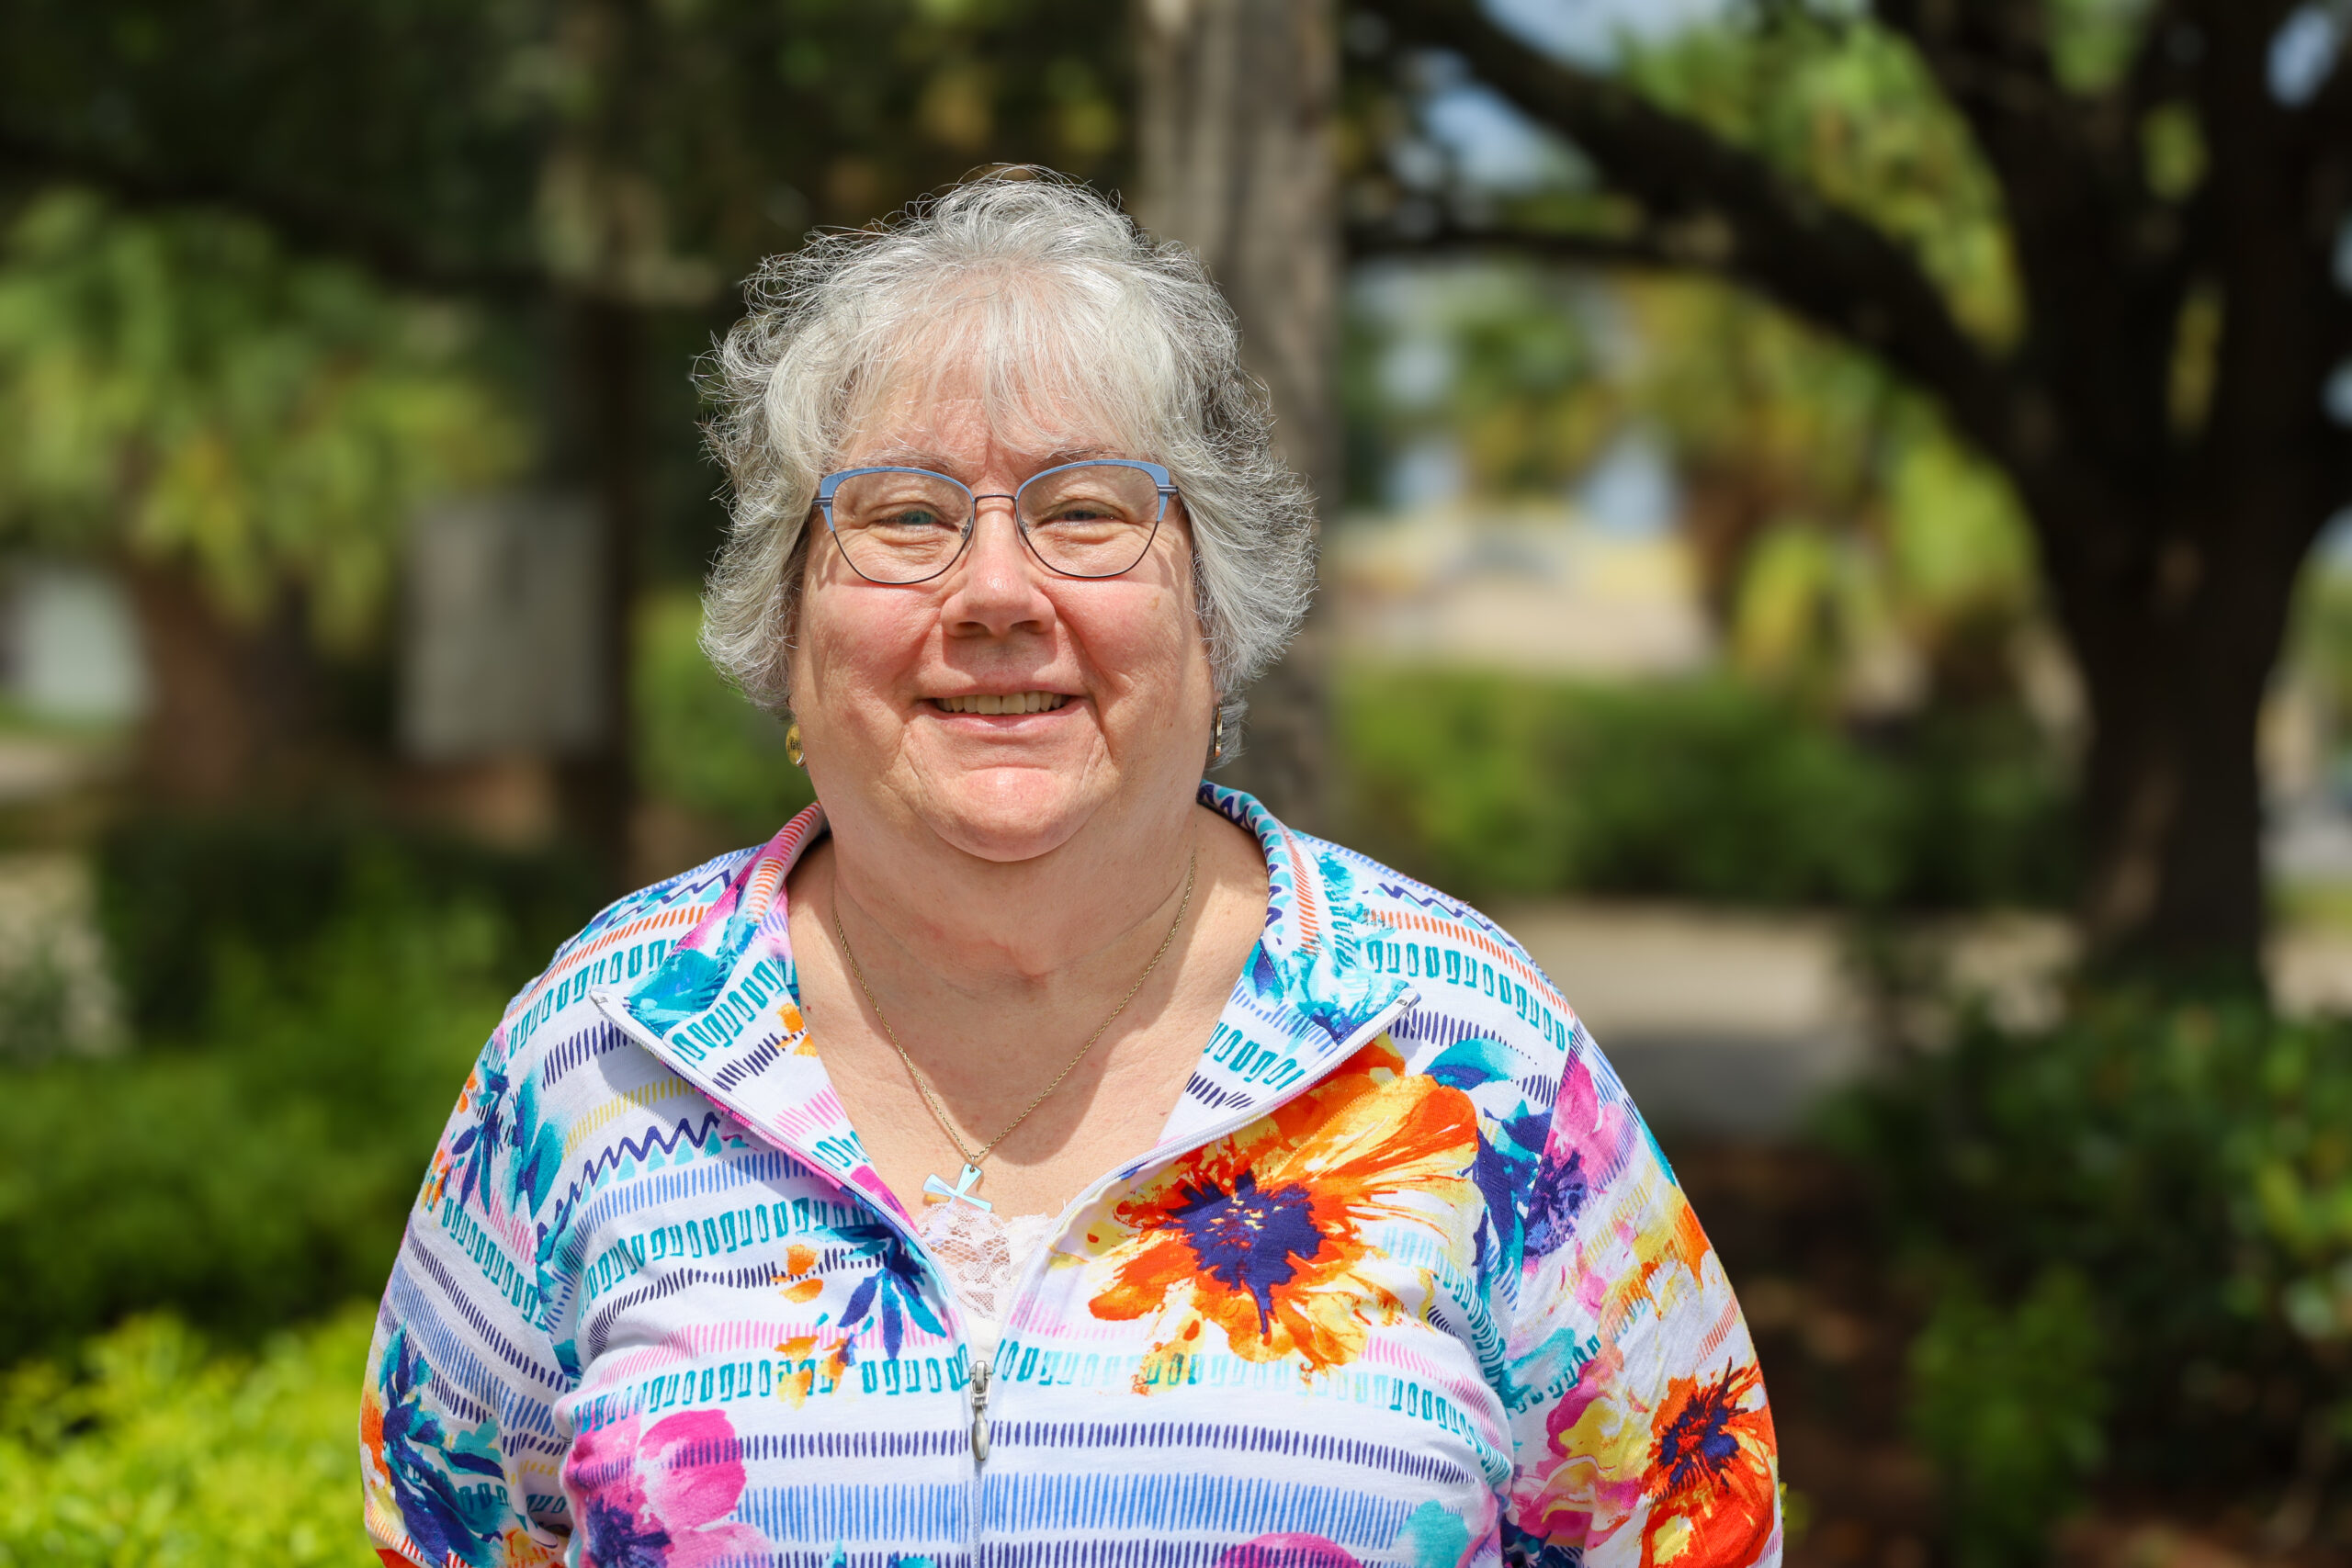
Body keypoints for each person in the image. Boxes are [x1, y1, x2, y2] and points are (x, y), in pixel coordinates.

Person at [360, 171, 1781, 1568]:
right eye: (904, 517)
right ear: (786, 624)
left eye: (1087, 512)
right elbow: (446, 1530)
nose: (994, 594)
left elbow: (1692, 1532)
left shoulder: (1472, 1048)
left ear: (1212, 613)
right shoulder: (599, 1049)